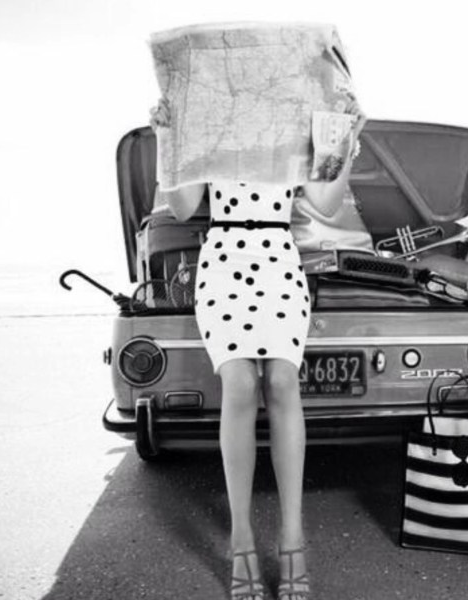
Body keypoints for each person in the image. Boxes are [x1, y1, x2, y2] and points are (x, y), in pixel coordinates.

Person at [150, 98, 361, 600]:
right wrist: (165, 137)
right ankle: (241, 537)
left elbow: (326, 203)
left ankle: (293, 538)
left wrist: (347, 143)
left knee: (284, 381)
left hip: (279, 260)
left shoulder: (296, 124)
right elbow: (183, 207)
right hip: (223, 260)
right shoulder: (209, 124)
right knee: (241, 383)